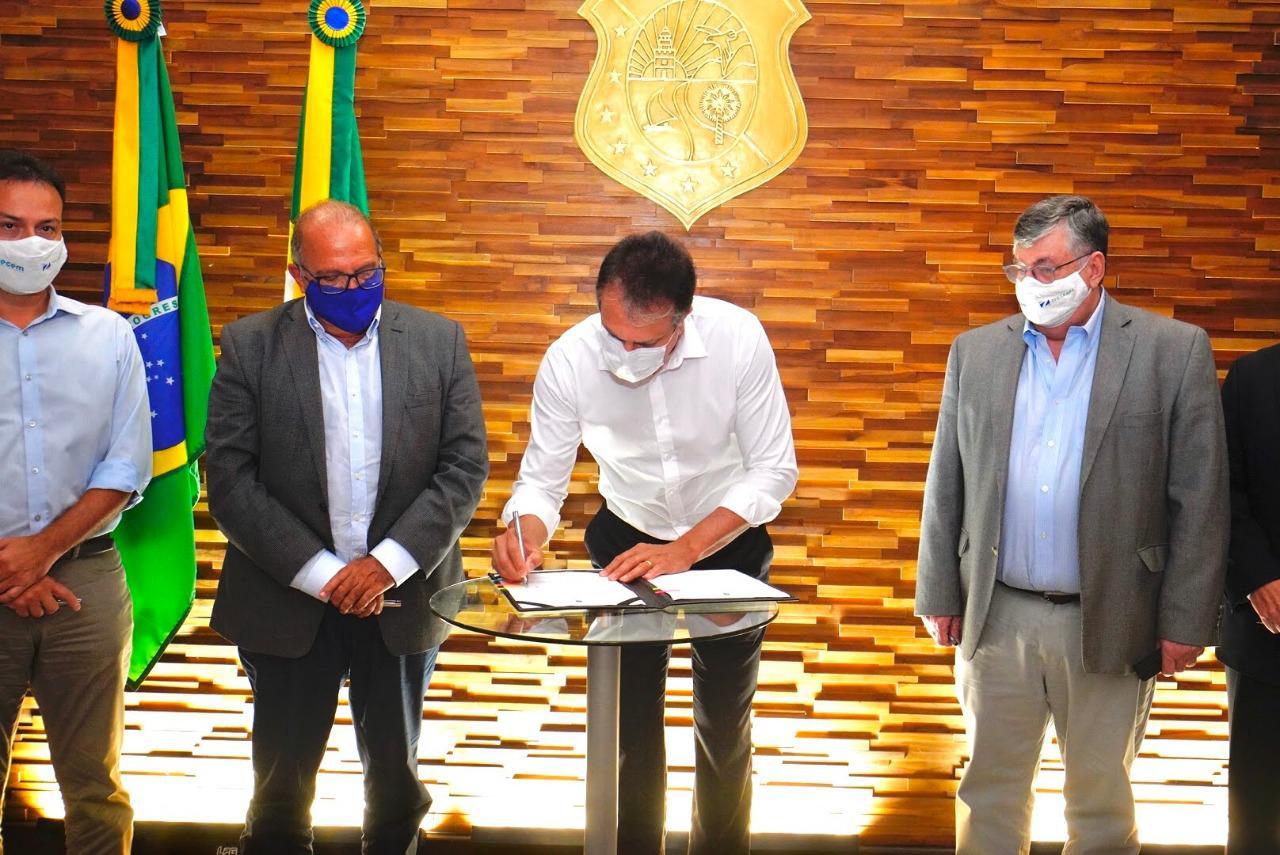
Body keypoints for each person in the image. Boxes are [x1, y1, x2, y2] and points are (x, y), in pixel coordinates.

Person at [913, 195, 1228, 854]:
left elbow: (1200, 499)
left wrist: (1186, 619)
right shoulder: (975, 353)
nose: (1031, 282)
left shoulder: (1172, 351)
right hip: (996, 615)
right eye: (1020, 268)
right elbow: (947, 482)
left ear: (1095, 267)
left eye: (1047, 267)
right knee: (989, 792)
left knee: (1100, 803)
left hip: (1114, 614)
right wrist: (938, 591)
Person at [491, 231, 798, 854]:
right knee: (627, 719)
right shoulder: (569, 359)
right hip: (625, 545)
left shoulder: (737, 338)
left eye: (646, 342)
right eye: (615, 337)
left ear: (683, 316)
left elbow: (773, 471)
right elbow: (542, 482)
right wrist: (522, 534)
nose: (626, 354)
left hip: (726, 543)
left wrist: (687, 550)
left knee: (724, 721)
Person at [206, 200, 488, 855]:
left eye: (366, 272)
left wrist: (384, 565)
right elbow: (231, 481)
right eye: (333, 278)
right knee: (278, 793)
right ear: (298, 275)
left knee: (396, 792)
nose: (353, 288)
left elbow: (464, 467)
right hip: (288, 598)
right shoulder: (250, 345)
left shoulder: (438, 341)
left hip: (402, 597)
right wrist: (329, 576)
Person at [0, 150, 152, 854]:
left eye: (48, 227)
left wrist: (40, 552)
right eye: (10, 225)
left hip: (86, 582)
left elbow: (127, 466)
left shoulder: (108, 335)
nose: (32, 241)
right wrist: (14, 567)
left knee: (96, 786)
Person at [1217, 343, 1280, 853]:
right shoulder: (1252, 377)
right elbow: (1222, 489)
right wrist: (1259, 577)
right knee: (1256, 817)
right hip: (1265, 630)